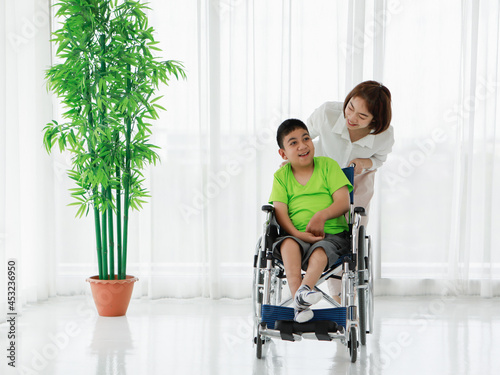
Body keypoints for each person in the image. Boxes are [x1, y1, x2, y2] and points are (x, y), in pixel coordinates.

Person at [269, 119, 353, 323]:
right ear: (283, 154)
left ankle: (303, 293)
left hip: (331, 235)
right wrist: (297, 234)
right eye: (293, 143)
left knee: (320, 250)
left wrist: (321, 215)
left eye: (306, 138)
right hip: (295, 235)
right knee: (288, 243)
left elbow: (343, 203)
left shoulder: (328, 166)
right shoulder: (282, 176)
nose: (302, 145)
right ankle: (301, 299)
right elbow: (280, 212)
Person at [307, 80, 394, 225]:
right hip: (321, 171)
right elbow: (304, 136)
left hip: (357, 178)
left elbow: (379, 159)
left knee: (351, 223)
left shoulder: (384, 136)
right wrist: (294, 159)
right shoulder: (327, 113)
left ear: (375, 120)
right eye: (350, 107)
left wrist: (363, 163)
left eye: (362, 116)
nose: (352, 118)